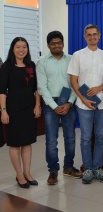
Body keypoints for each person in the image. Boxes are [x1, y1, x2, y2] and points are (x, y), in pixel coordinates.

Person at [68, 24, 103, 184]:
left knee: (100, 136)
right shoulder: (77, 55)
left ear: (99, 36)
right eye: (89, 35)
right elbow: (73, 80)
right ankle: (88, 168)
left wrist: (99, 88)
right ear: (84, 37)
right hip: (83, 104)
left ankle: (98, 168)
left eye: (95, 34)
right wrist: (82, 98)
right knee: (86, 137)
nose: (92, 37)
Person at [36, 31, 82, 185]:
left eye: (59, 42)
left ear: (63, 43)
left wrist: (69, 103)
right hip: (50, 104)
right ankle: (53, 171)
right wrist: (55, 106)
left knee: (70, 138)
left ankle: (68, 167)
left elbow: (76, 84)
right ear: (48, 45)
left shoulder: (71, 60)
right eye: (53, 43)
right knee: (51, 140)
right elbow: (42, 87)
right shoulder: (42, 62)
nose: (56, 45)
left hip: (69, 101)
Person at [0, 37, 41, 188]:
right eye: (18, 47)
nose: (21, 50)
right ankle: (19, 174)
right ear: (12, 49)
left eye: (24, 47)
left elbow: (36, 89)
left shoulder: (31, 65)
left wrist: (37, 105)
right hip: (13, 110)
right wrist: (3, 111)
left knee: (27, 143)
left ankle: (27, 173)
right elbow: (2, 91)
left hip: (28, 109)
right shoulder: (6, 67)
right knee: (15, 144)